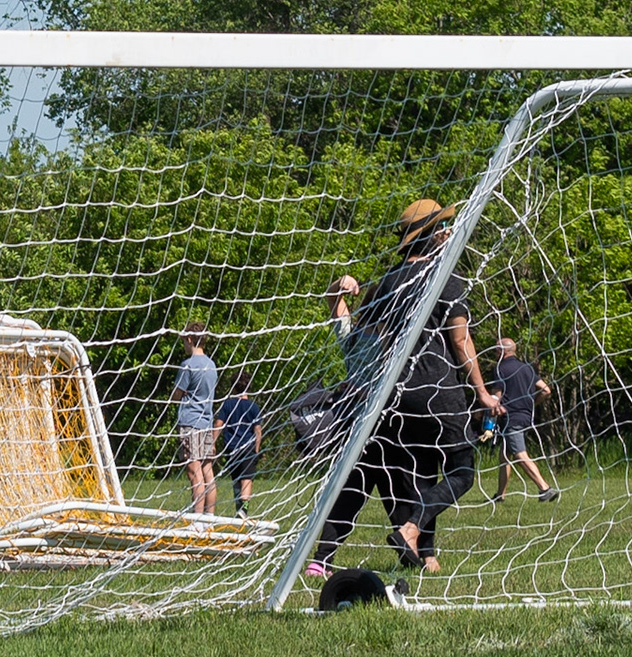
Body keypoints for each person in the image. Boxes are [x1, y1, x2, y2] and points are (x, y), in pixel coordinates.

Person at [307, 198, 501, 578]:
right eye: (442, 228)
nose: (448, 233)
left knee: (422, 474)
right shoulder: (444, 274)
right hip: (437, 390)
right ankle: (410, 530)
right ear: (431, 236)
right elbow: (460, 340)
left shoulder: (387, 282)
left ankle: (424, 552)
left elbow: (362, 337)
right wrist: (481, 392)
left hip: (393, 398)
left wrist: (338, 295)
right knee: (462, 472)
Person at [491, 338, 558, 502]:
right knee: (504, 456)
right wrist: (532, 403)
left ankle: (545, 488)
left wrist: (489, 420)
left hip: (510, 417)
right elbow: (546, 390)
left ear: (503, 352)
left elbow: (495, 399)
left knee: (520, 454)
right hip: (526, 416)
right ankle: (500, 495)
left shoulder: (500, 369)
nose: (494, 353)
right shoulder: (527, 368)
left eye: (496, 350)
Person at [174, 320, 218, 515]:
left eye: (184, 340)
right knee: (208, 471)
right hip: (206, 422)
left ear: (190, 339)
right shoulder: (212, 365)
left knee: (194, 471)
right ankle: (210, 517)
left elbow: (177, 394)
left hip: (190, 422)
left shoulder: (188, 365)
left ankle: (198, 518)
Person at [214, 371, 263, 517]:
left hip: (231, 447)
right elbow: (258, 431)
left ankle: (239, 509)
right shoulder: (254, 407)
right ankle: (244, 509)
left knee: (236, 479)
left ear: (233, 388)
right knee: (246, 479)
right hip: (248, 448)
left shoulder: (228, 405)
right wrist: (257, 450)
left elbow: (218, 425)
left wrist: (212, 443)